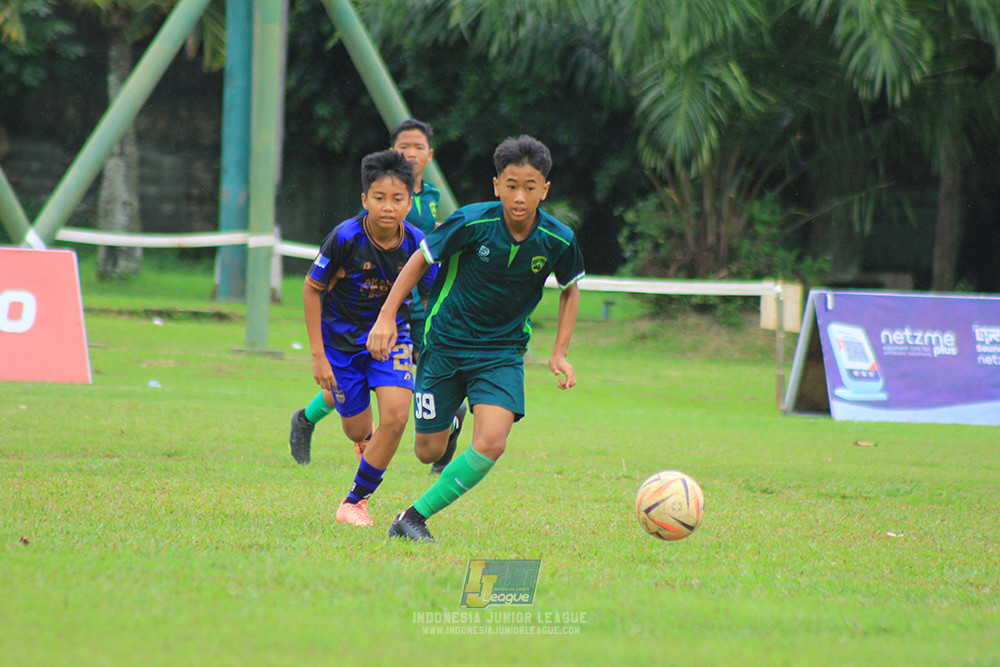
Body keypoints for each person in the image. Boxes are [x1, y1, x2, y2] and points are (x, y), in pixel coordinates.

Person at [367, 135, 585, 542]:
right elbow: (420, 259)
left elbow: (570, 288)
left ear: (545, 190)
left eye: (531, 187)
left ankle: (412, 517)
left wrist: (560, 351)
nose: (520, 197)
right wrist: (386, 316)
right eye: (512, 186)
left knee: (492, 442)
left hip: (501, 352)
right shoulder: (472, 221)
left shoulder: (558, 239)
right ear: (496, 185)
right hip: (445, 343)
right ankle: (450, 421)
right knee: (427, 452)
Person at [288, 149, 434, 528]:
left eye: (398, 199)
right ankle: (362, 445)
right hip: (341, 345)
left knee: (398, 417)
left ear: (409, 201)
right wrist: (318, 357)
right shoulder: (345, 238)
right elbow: (310, 290)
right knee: (356, 429)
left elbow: (436, 292)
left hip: (392, 340)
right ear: (365, 199)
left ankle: (354, 502)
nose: (388, 207)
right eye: (380, 198)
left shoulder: (417, 243)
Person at [388, 119, 467, 475]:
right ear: (393, 151)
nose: (411, 153)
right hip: (383, 300)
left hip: (421, 304)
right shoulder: (384, 192)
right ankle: (308, 418)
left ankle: (447, 424)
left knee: (422, 372)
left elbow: (436, 243)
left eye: (419, 147)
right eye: (404, 146)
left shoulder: (433, 197)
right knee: (356, 371)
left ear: (430, 155)